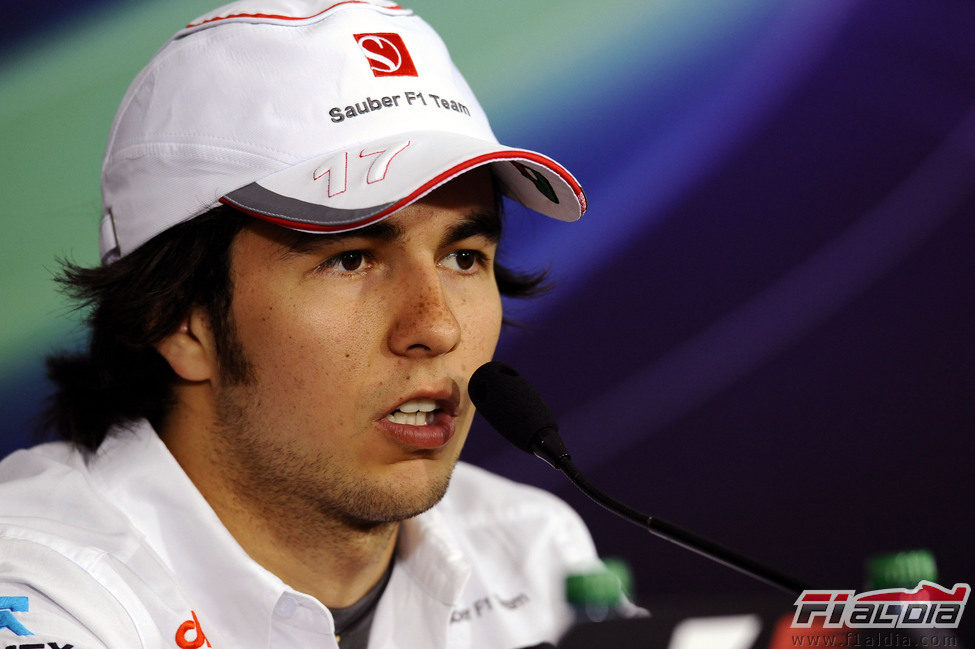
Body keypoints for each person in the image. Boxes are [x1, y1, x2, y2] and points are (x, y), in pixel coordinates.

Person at [0, 1, 602, 648]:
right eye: (351, 260)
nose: (437, 327)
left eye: (463, 258)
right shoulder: (44, 591)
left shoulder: (536, 551)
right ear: (175, 316)